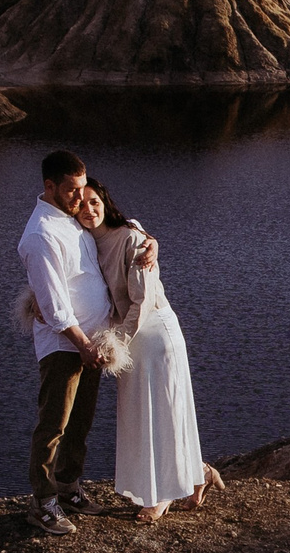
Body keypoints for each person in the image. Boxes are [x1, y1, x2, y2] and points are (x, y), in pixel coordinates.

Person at [14, 150, 153, 535]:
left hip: (93, 340)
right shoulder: (41, 234)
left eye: (83, 188)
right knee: (53, 424)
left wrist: (149, 240)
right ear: (50, 187)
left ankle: (69, 488)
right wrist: (82, 344)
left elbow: (120, 228)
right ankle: (42, 503)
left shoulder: (70, 219)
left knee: (81, 423)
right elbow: (55, 306)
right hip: (66, 346)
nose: (80, 197)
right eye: (73, 190)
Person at [77, 180, 221, 521]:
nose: (88, 210)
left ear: (105, 200)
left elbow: (142, 302)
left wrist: (118, 344)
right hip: (130, 340)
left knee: (163, 411)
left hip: (154, 334)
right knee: (143, 415)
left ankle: (161, 497)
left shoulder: (130, 238)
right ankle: (198, 473)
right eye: (81, 204)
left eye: (94, 201)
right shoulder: (84, 240)